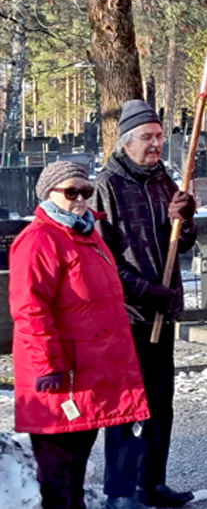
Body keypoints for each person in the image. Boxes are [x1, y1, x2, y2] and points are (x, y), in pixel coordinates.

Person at [10, 161, 149, 509]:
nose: (80, 199)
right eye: (70, 192)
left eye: (85, 191)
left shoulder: (87, 235)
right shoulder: (39, 240)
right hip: (58, 378)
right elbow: (30, 309)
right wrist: (45, 367)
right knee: (59, 479)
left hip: (88, 373)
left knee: (75, 475)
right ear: (48, 195)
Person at [91, 100, 197, 508]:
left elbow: (182, 244)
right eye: (147, 138)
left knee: (159, 403)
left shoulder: (164, 180)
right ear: (126, 141)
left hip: (162, 311)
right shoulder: (107, 186)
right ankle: (123, 489)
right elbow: (103, 261)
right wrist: (146, 291)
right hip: (127, 315)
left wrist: (184, 219)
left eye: (158, 136)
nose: (156, 145)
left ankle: (153, 482)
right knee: (126, 404)